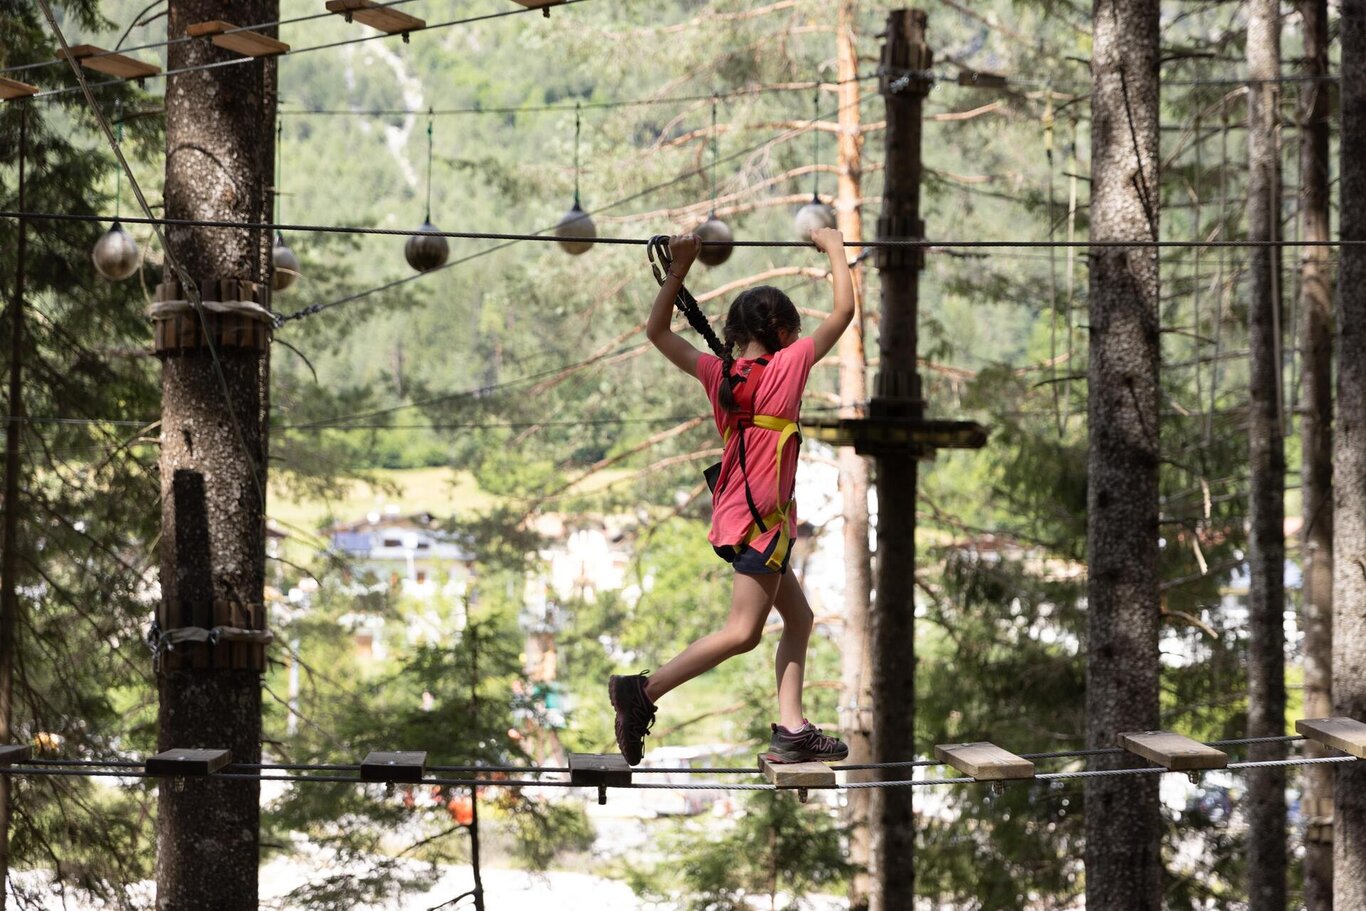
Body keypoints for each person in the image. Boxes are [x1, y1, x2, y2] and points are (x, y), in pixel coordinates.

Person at [609, 226, 855, 766]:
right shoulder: (788, 365)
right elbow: (842, 314)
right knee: (742, 632)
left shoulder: (717, 372)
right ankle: (640, 693)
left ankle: (792, 729)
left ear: (736, 332)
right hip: (762, 525)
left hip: (743, 517)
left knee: (800, 618)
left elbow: (656, 332)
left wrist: (679, 268)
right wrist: (834, 247)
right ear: (786, 332)